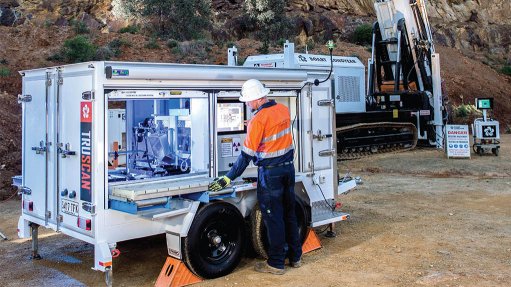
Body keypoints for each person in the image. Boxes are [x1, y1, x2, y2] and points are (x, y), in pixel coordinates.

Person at [209, 79, 302, 275]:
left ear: (256, 99)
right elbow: (272, 128)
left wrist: (228, 178)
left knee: (273, 218)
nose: (247, 104)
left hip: (270, 174)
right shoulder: (282, 109)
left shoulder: (258, 120)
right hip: (288, 169)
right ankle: (295, 257)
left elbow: (246, 156)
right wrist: (253, 123)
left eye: (248, 101)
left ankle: (276, 263)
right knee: (289, 214)